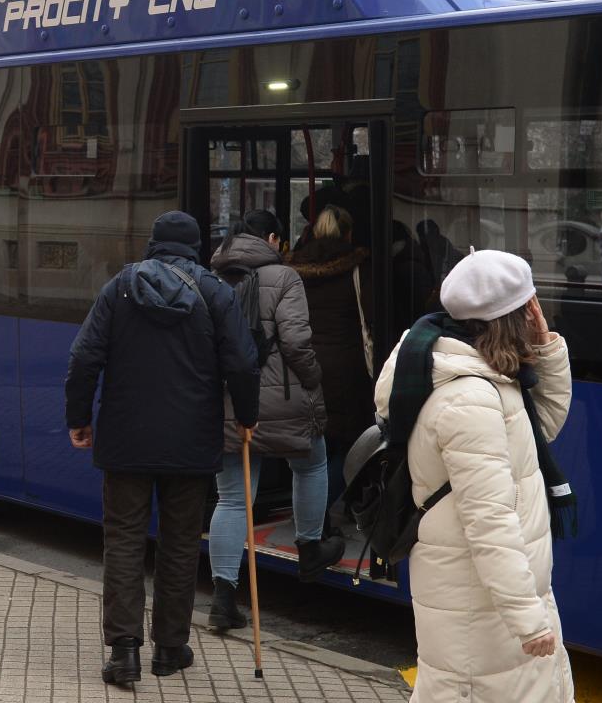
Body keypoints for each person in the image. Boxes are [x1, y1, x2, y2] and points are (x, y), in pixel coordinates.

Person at [65, 210, 259, 687]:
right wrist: (248, 417)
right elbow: (243, 362)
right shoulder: (215, 292)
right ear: (195, 246)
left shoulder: (119, 288)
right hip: (191, 441)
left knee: (125, 540)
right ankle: (170, 649)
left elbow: (84, 356)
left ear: (153, 243)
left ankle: (125, 652)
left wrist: (79, 418)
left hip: (126, 438)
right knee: (178, 544)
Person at [374, 250, 575, 702]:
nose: (537, 314)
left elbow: (536, 431)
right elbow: (489, 522)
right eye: (531, 306)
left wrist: (548, 350)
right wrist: (527, 617)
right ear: (514, 317)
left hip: (482, 602)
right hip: (479, 611)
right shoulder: (470, 400)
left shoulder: (481, 378)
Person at [207, 211, 342, 631]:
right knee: (312, 462)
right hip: (282, 399)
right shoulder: (284, 278)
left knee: (232, 499)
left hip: (230, 399)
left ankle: (223, 601)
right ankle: (309, 549)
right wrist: (314, 378)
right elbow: (297, 341)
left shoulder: (212, 278)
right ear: (271, 238)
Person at [290, 204, 375, 511]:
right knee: (356, 442)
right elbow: (372, 319)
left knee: (316, 445)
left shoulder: (295, 269)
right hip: (347, 369)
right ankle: (316, 509)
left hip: (304, 366)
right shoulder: (358, 268)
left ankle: (311, 515)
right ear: (349, 233)